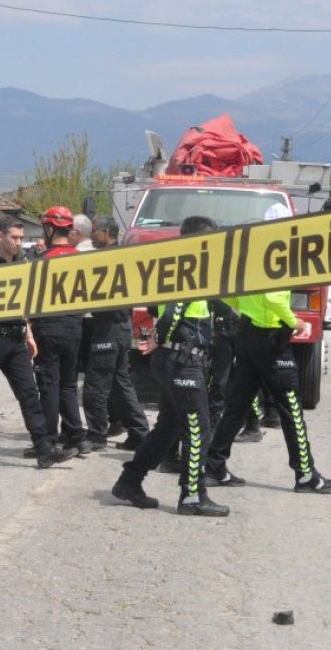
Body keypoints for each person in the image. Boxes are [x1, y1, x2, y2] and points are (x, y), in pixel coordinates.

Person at [110, 216, 228, 517]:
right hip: (181, 361)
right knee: (198, 428)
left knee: (167, 429)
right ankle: (192, 496)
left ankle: (129, 481)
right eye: (209, 239)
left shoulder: (188, 268)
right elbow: (172, 313)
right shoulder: (186, 268)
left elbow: (200, 304)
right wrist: (158, 338)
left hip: (178, 360)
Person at [0, 218, 78, 469]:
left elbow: (23, 304)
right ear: (0, 236)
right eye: (14, 238)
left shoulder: (22, 264)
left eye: (21, 238)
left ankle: (44, 449)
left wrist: (28, 333)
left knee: (29, 395)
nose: (19, 242)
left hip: (16, 338)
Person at [205, 284, 331, 494]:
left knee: (237, 406)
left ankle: (214, 467)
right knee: (291, 409)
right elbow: (273, 298)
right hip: (271, 339)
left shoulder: (250, 262)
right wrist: (294, 321)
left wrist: (246, 309)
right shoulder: (277, 261)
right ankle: (305, 474)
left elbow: (228, 295)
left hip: (247, 333)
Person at [82, 217, 150, 451]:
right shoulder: (125, 256)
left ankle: (96, 435)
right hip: (121, 328)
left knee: (95, 386)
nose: (91, 236)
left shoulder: (107, 258)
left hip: (108, 328)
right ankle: (140, 433)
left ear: (106, 232)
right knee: (122, 385)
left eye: (94, 232)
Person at [31, 206, 91, 454]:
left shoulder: (44, 261)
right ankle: (77, 436)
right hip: (75, 327)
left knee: (49, 385)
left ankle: (48, 439)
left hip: (50, 327)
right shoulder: (82, 260)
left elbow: (32, 298)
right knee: (68, 384)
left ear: (49, 228)